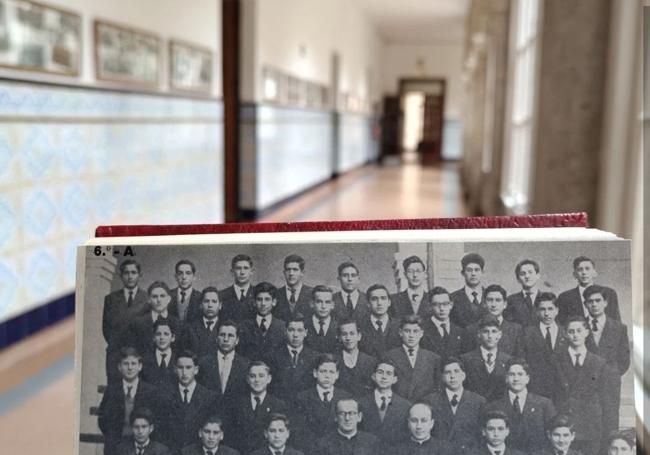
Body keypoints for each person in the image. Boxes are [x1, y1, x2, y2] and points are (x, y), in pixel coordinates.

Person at [552, 315, 618, 455]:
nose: (575, 335)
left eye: (579, 331)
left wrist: (609, 433)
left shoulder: (599, 363)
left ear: (587, 332)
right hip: (564, 429)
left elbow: (608, 403)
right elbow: (551, 395)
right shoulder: (555, 360)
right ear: (565, 333)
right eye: (571, 331)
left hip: (591, 429)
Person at [485, 358, 556, 453]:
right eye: (512, 374)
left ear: (527, 378)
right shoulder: (494, 406)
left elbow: (553, 434)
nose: (516, 379)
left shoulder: (544, 404)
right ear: (506, 378)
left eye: (520, 374)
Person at [98, 347, 161, 455]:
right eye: (126, 364)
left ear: (140, 366)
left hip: (142, 445)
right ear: (119, 367)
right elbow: (103, 418)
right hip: (116, 444)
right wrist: (113, 437)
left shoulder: (150, 391)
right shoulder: (112, 390)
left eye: (133, 363)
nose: (130, 368)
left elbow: (157, 419)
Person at [160, 350, 221, 451]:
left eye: (188, 368)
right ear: (175, 369)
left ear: (196, 370)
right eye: (180, 368)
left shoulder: (210, 397)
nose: (184, 372)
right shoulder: (166, 396)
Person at [423, 357, 485, 453]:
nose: (452, 376)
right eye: (448, 372)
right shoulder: (431, 401)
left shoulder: (478, 401)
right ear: (442, 377)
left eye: (456, 371)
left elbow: (481, 435)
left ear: (463, 375)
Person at [514, 292, 567, 400]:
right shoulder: (527, 333)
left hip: (561, 391)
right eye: (542, 309)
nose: (547, 313)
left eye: (550, 309)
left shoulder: (565, 333)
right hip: (535, 390)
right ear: (537, 312)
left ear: (557, 310)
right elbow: (521, 361)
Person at [103, 259, 149, 382]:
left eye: (133, 273)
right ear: (121, 276)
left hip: (138, 356)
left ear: (139, 275)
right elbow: (106, 329)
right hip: (115, 354)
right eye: (126, 273)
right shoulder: (110, 299)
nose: (130, 276)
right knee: (115, 391)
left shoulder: (147, 299)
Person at [228, 361, 289, 454]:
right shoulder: (237, 404)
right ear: (247, 379)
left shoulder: (278, 405)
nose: (257, 380)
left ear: (269, 379)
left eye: (261, 376)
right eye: (253, 376)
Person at [294, 354, 352, 447]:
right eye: (323, 371)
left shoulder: (346, 397)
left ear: (337, 375)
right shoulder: (302, 398)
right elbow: (300, 431)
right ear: (315, 373)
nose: (327, 376)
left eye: (331, 372)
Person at [383, 314, 441, 401]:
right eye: (407, 331)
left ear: (421, 333)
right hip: (399, 407)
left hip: (424, 407)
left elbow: (437, 389)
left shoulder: (433, 358)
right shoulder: (389, 356)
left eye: (415, 331)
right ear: (400, 332)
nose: (411, 335)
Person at [357, 360, 411, 446]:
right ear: (373, 376)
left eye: (389, 373)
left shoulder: (405, 406)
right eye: (380, 372)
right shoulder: (360, 403)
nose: (384, 377)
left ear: (395, 379)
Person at [265, 316, 319, 401]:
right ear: (285, 332)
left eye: (300, 330)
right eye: (291, 330)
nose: (295, 335)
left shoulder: (315, 357)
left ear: (306, 333)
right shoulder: (272, 356)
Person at [556, 256, 621, 324]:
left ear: (594, 273)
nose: (584, 272)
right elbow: (562, 325)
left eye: (587, 269)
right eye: (580, 269)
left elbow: (617, 322)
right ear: (575, 274)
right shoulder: (565, 297)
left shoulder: (609, 293)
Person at [197, 321, 250, 404]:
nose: (226, 339)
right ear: (216, 338)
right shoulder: (204, 363)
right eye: (222, 335)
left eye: (230, 335)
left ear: (237, 340)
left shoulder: (246, 365)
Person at [460, 315, 511, 401]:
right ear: (479, 334)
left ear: (500, 335)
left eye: (494, 331)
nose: (490, 336)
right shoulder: (466, 359)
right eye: (486, 331)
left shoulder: (507, 360)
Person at [123, 282, 181, 355]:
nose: (159, 300)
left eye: (162, 296)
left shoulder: (178, 324)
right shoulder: (137, 324)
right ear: (149, 300)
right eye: (154, 296)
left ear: (169, 299)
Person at [467, 284, 522, 355]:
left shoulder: (516, 330)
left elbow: (519, 358)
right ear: (484, 304)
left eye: (498, 300)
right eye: (490, 300)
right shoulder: (472, 329)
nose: (493, 305)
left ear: (505, 304)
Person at [238, 282, 286, 361]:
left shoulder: (282, 326)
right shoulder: (244, 326)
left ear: (274, 302)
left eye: (267, 299)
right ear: (254, 302)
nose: (263, 304)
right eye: (259, 299)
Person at [314, 398, 380, 455]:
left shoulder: (372, 442)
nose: (347, 418)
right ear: (336, 417)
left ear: (359, 417)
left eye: (351, 413)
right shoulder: (323, 444)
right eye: (342, 413)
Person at [420, 286, 472, 358]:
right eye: (436, 304)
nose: (441, 308)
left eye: (445, 304)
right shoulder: (422, 330)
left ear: (451, 305)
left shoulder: (461, 332)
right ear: (430, 306)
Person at [357, 284, 401, 358]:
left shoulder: (400, 325)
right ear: (368, 304)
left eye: (383, 298)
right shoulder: (360, 327)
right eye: (374, 299)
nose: (379, 303)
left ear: (389, 302)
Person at [335, 319, 376, 397]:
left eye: (352, 333)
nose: (348, 338)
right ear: (339, 338)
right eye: (344, 334)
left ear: (359, 336)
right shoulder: (334, 360)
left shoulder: (371, 361)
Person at [180, 287, 221, 356]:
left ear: (220, 305)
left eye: (214, 301)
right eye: (206, 301)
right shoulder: (189, 328)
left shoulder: (225, 327)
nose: (210, 305)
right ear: (201, 305)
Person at [450, 253, 487, 327]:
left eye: (477, 270)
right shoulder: (453, 298)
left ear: (482, 272)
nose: (473, 274)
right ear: (463, 273)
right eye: (469, 270)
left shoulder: (490, 296)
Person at [390, 255, 433, 320]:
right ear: (405, 274)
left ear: (425, 274)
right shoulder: (394, 300)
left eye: (418, 271)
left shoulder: (432, 299)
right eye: (410, 271)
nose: (415, 275)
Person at [273, 255, 313, 321]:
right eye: (288, 270)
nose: (291, 273)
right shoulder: (276, 294)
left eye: (295, 269)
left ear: (302, 273)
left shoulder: (312, 293)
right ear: (284, 273)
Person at [505, 259, 544, 326]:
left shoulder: (546, 298)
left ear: (538, 276)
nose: (527, 276)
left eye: (530, 272)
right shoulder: (511, 300)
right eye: (522, 274)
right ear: (518, 279)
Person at [141, 319, 178, 388]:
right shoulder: (145, 361)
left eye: (166, 334)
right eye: (158, 334)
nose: (162, 337)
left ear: (173, 337)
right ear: (153, 338)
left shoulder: (178, 360)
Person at [219, 254, 256, 322]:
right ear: (232, 272)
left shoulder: (258, 293)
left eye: (246, 268)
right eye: (238, 268)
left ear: (252, 272)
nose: (242, 272)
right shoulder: (221, 295)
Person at [304, 285, 339, 353]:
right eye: (319, 302)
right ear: (311, 303)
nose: (323, 306)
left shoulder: (339, 325)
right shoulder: (303, 324)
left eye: (327, 302)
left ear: (332, 305)